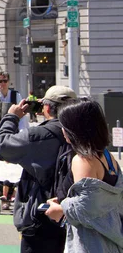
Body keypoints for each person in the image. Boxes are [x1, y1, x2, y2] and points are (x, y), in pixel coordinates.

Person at [0, 85, 77, 253]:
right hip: (74, 216)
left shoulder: (39, 135)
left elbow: (2, 145)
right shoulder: (83, 133)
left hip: (42, 217)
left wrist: (12, 117)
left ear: (46, 107)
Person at [45, 100, 123, 252]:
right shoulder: (107, 156)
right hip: (111, 240)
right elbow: (101, 199)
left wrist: (61, 209)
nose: (62, 131)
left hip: (91, 243)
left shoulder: (82, 160)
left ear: (75, 129)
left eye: (64, 126)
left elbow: (86, 206)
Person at [0, 72, 29, 206]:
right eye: (0, 81)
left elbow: (22, 116)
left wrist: (22, 132)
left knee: (15, 162)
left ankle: (13, 193)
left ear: (9, 82)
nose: (3, 84)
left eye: (5, 81)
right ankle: (1, 194)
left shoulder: (16, 95)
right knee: (0, 162)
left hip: (14, 133)